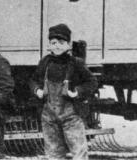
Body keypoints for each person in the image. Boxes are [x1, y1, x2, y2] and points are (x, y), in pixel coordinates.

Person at [31, 24, 98, 160]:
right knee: (53, 153)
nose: (57, 46)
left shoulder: (76, 63)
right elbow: (33, 80)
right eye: (53, 43)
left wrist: (77, 92)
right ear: (49, 45)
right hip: (48, 115)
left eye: (61, 43)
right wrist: (37, 90)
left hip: (71, 115)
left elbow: (92, 82)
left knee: (79, 151)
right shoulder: (45, 62)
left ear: (68, 45)